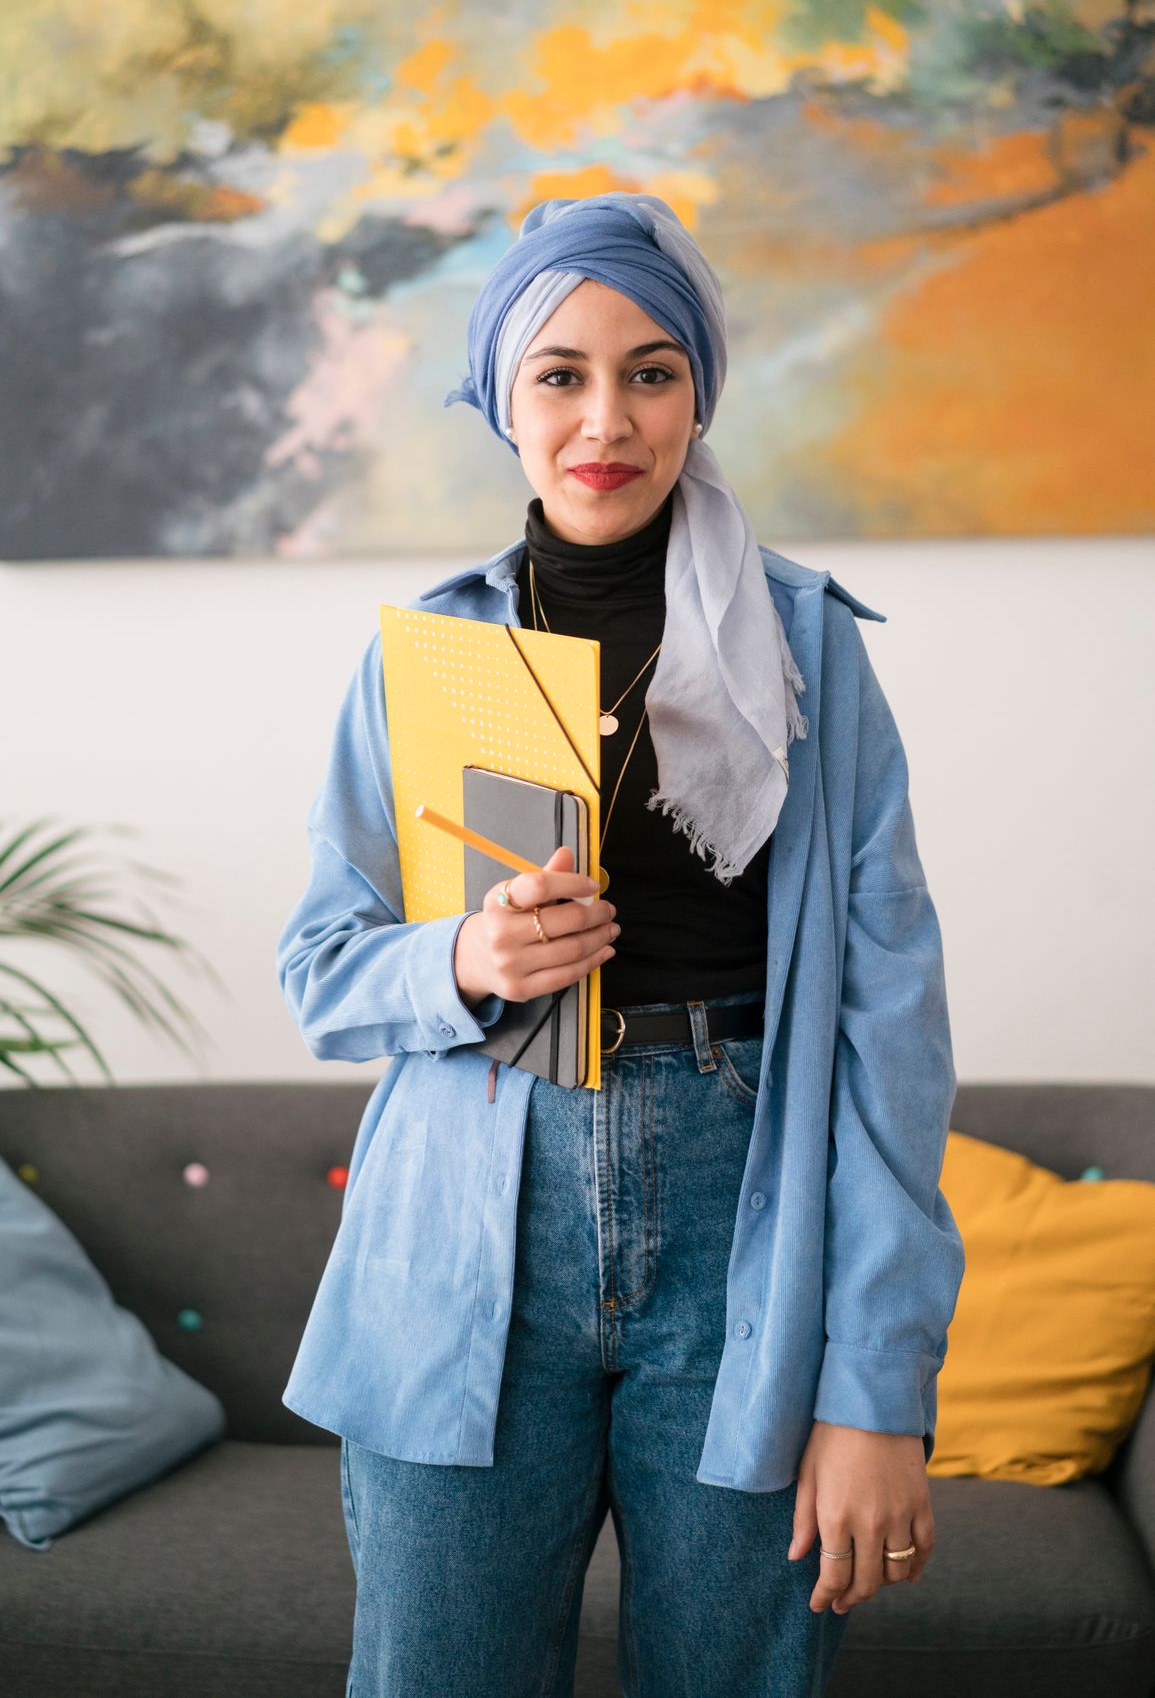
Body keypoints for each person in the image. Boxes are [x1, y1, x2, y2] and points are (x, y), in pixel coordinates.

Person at [276, 192, 966, 1698]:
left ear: (699, 392)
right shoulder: (429, 655)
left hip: (744, 1210)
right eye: (562, 374)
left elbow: (894, 1033)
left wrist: (876, 1390)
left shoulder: (807, 644)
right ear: (504, 400)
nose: (608, 417)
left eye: (653, 372)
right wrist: (465, 961)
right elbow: (320, 966)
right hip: (464, 1215)